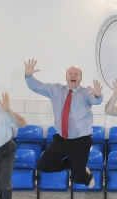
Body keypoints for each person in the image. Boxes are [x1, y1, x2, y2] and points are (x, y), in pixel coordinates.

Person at [24, 59, 103, 188]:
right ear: (66, 77)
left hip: (81, 141)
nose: (73, 75)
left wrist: (98, 95)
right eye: (70, 73)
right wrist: (28, 75)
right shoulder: (56, 90)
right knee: (43, 166)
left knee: (77, 178)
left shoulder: (85, 93)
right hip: (62, 139)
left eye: (76, 74)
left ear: (81, 78)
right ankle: (75, 164)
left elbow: (95, 100)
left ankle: (85, 174)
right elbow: (36, 86)